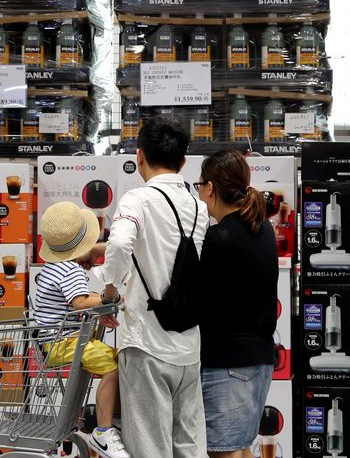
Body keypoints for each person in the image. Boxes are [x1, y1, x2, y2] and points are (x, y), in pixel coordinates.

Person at [101, 117, 210, 458]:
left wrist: (109, 292)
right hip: (188, 345)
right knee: (188, 445)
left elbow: (120, 244)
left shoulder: (137, 200)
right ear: (183, 161)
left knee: (150, 445)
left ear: (139, 155)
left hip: (146, 342)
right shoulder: (199, 206)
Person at [195, 150, 278, 458]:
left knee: (224, 452)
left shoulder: (219, 237)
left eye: (199, 185)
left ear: (210, 188)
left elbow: (200, 299)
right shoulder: (264, 229)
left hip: (227, 361)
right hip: (259, 359)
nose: (199, 193)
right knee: (241, 448)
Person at [33, 201, 129, 458]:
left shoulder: (54, 266)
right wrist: (111, 299)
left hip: (55, 342)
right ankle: (104, 431)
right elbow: (80, 303)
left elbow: (76, 302)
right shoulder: (70, 269)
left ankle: (114, 421)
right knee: (114, 366)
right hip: (63, 342)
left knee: (117, 360)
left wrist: (101, 307)